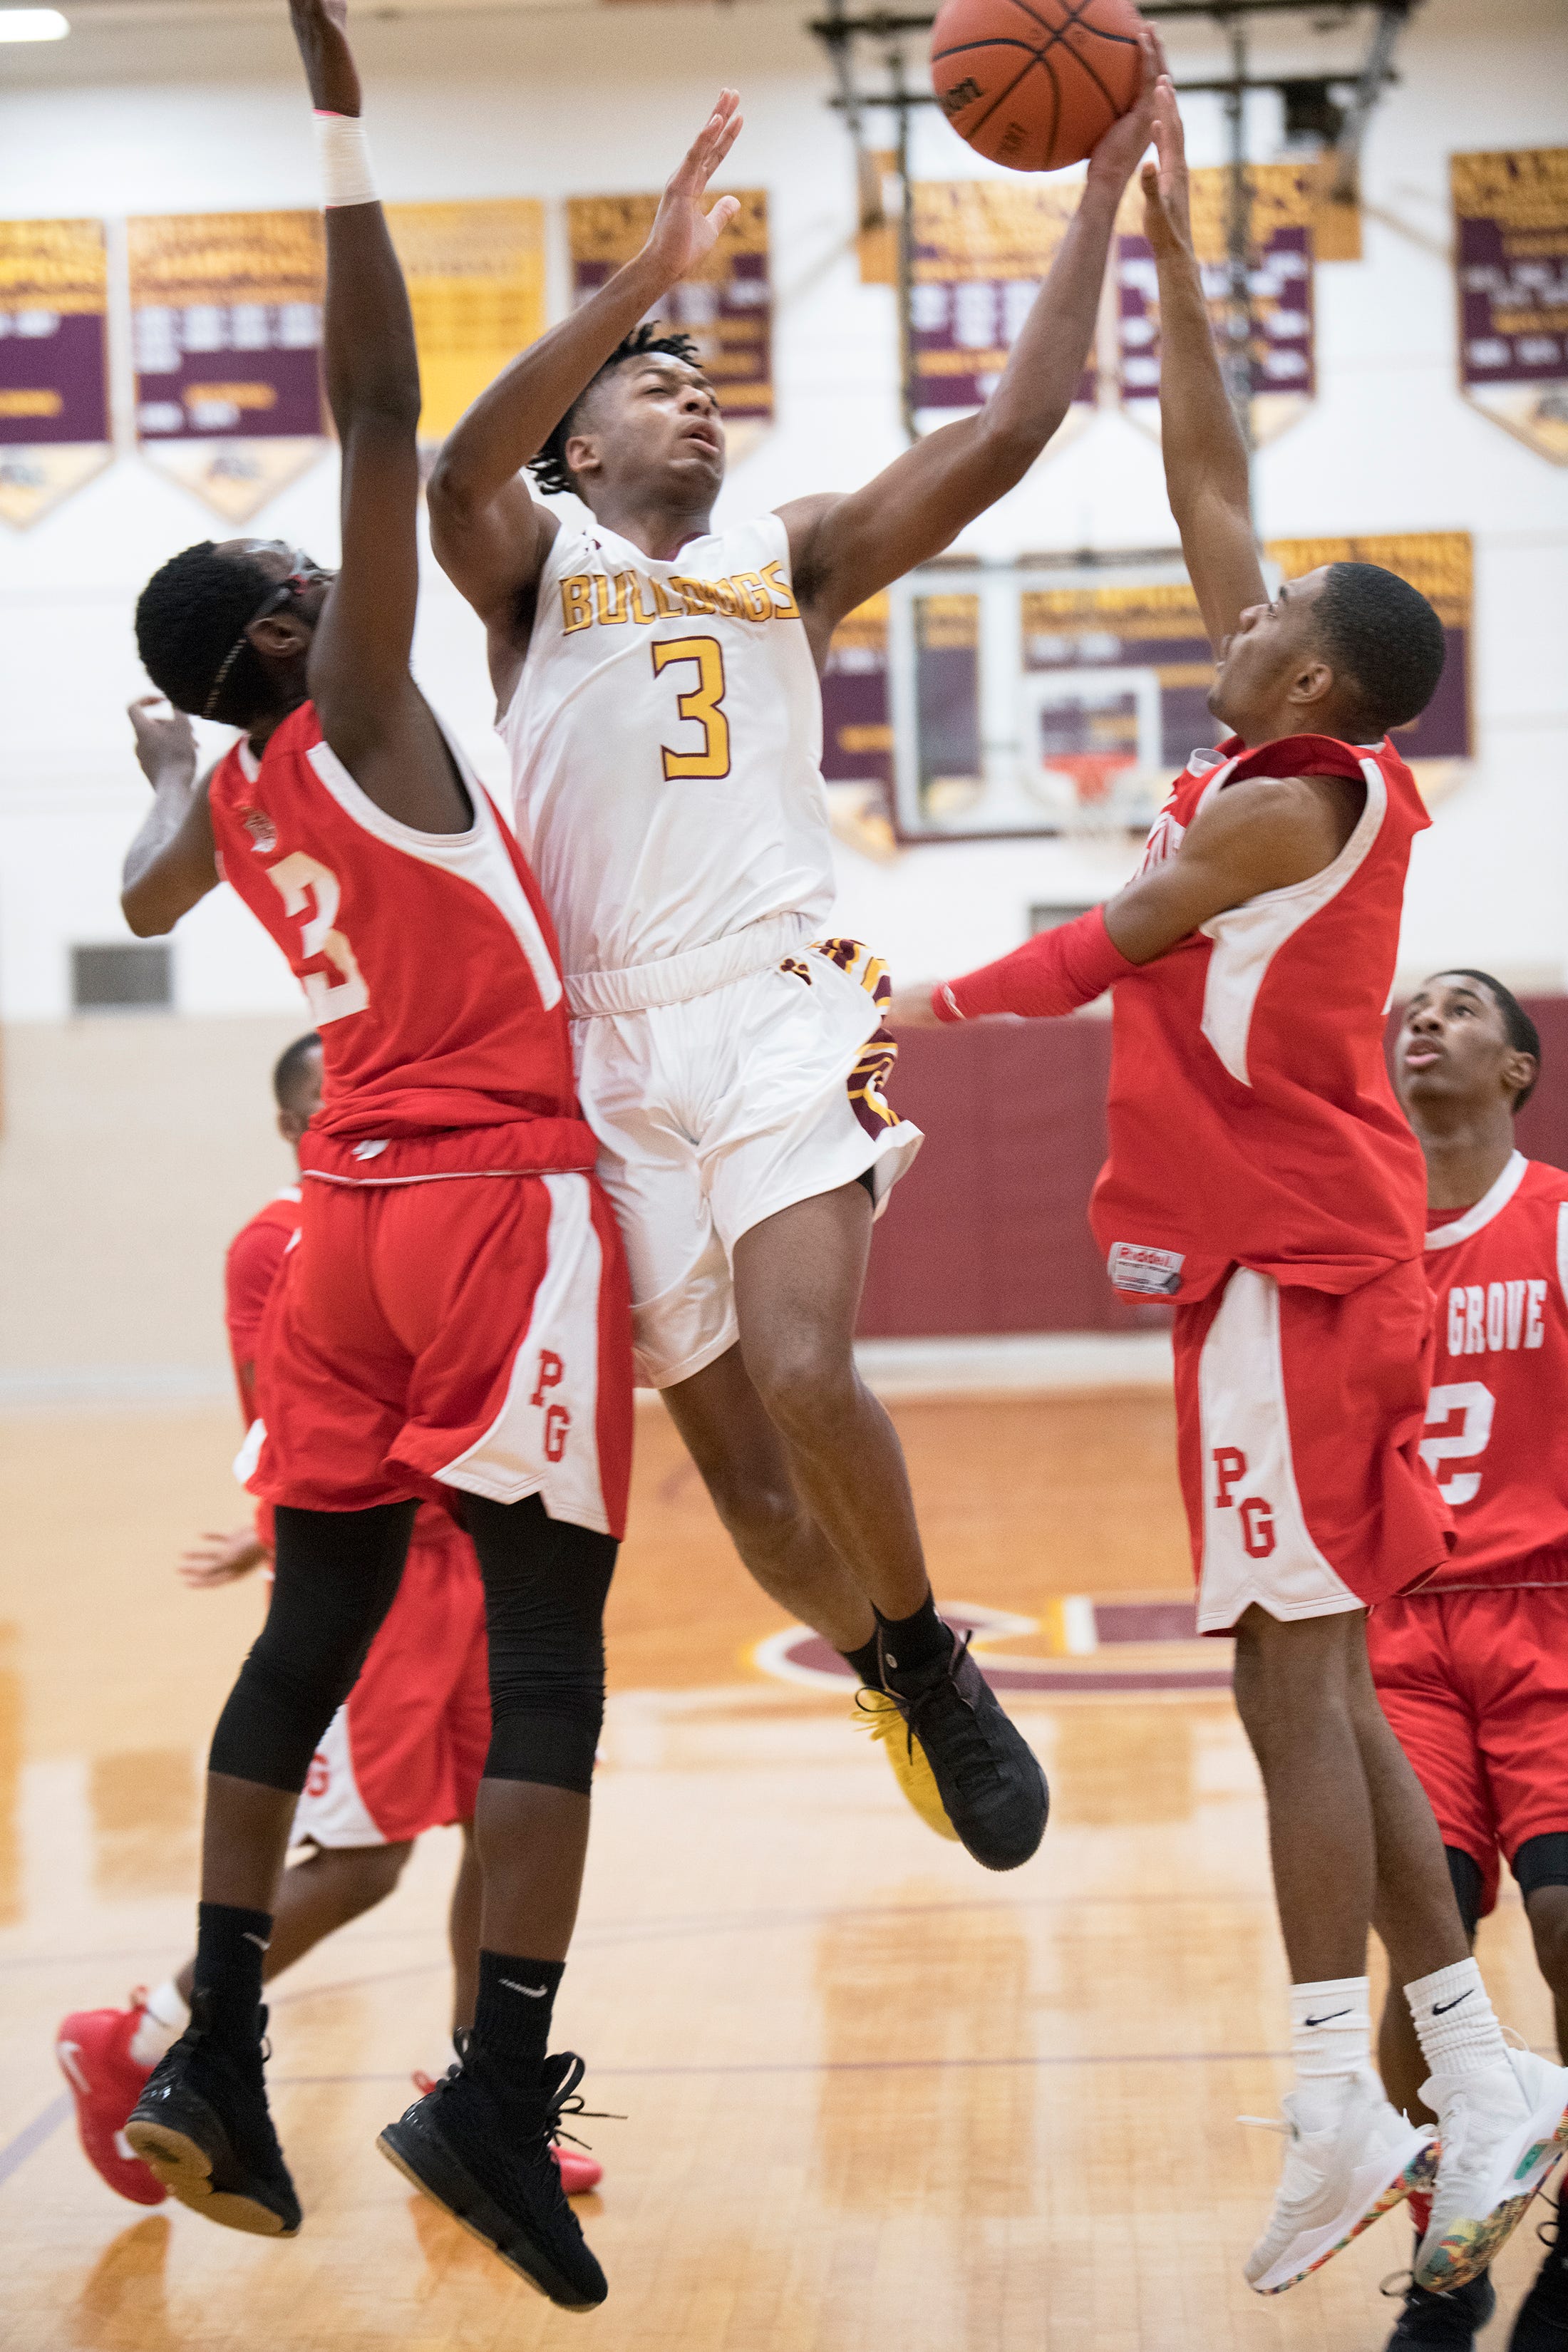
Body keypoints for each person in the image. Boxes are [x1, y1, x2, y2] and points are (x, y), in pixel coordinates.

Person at [887, 83, 1568, 2299]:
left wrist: (899, 994)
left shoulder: (1299, 801)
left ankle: (1328, 2093)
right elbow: (1209, 468)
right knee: (1335, 1680)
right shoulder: (1280, 741)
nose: (1240, 598)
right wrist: (1170, 237)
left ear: (1321, 679)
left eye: (1272, 611)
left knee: (1282, 1685)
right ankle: (1470, 2066)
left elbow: (1103, 949)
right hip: (1302, 1270)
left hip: (1294, 1269)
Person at [425, 50, 1164, 1872]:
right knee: (741, 1476)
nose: (694, 407)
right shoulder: (528, 569)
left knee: (809, 1370)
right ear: (578, 447)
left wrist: (1088, 198)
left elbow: (1008, 430)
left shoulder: (793, 556)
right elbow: (448, 464)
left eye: (702, 386)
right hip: (608, 1047)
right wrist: (639, 281)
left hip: (770, 997)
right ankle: (886, 1663)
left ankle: (930, 1658)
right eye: (654, 390)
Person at [113, 0, 631, 2310]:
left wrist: (167, 745)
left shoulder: (226, 800)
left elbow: (135, 896)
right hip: (496, 1203)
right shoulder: (371, 710)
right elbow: (390, 415)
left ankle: (211, 2049)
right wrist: (337, 122)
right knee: (548, 1647)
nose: (321, 574)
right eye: (291, 576)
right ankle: (498, 2087)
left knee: (312, 1633)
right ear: (291, 629)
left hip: (343, 1229)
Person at [54, 1032, 602, 2211]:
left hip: (478, 1558)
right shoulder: (277, 1239)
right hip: (379, 1574)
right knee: (363, 1862)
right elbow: (294, 1409)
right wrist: (272, 1526)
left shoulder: (462, 1197)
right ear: (302, 1124)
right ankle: (135, 2040)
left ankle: (483, 2099)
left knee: (494, 1832)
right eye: (329, 1104)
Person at [1371, 972, 1568, 2352]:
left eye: (1455, 1007)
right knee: (1423, 1962)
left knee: (1564, 1927)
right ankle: (1449, 2262)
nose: (1418, 1020)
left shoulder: (1554, 1221)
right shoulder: (1343, 1231)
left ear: (1515, 1067)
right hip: (1395, 1638)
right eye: (1403, 1009)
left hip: (1549, 1612)